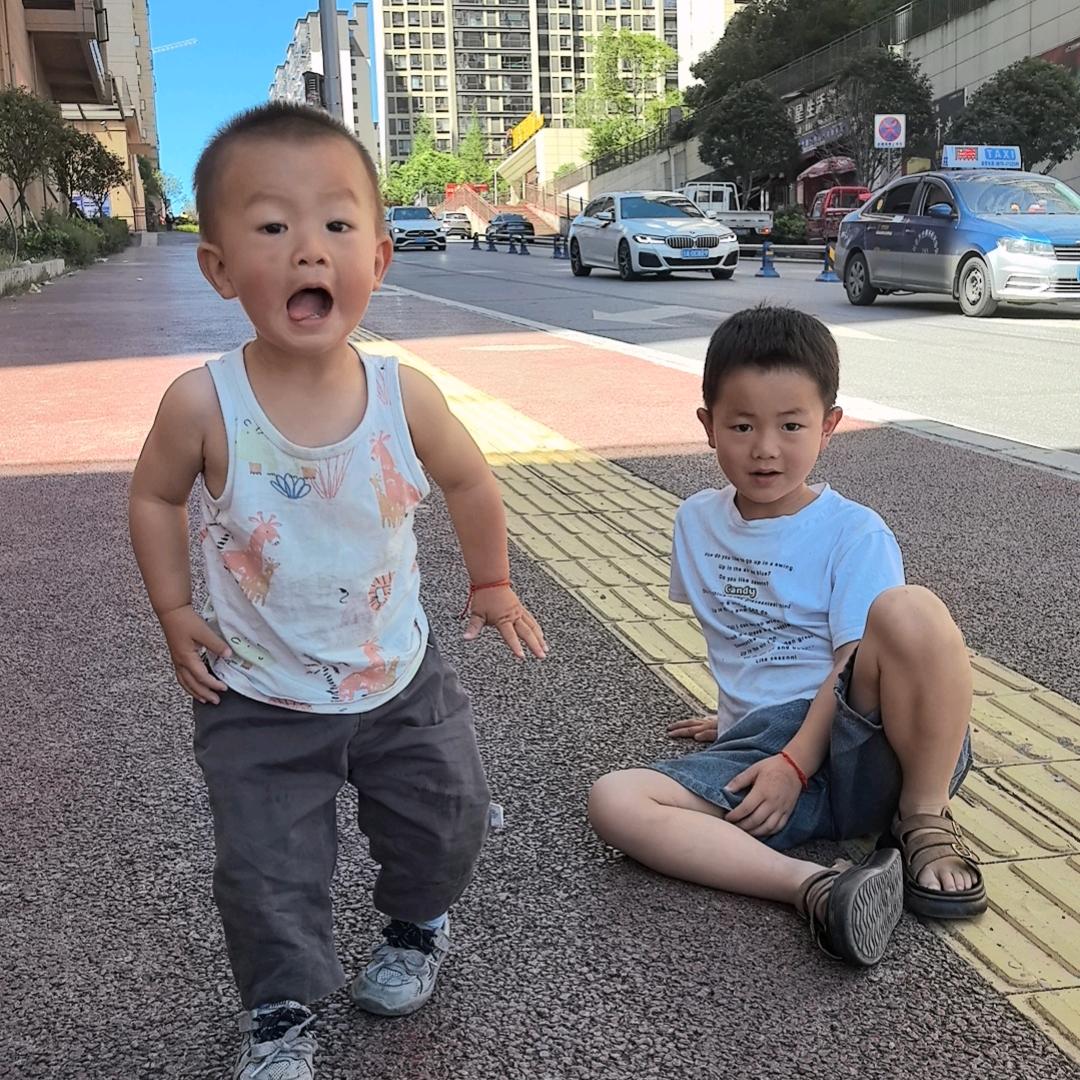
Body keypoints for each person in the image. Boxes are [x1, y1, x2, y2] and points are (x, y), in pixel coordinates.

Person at [128, 102, 547, 1080]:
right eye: (272, 227)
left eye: (336, 225)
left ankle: (416, 924)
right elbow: (152, 496)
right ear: (221, 268)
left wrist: (490, 579)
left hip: (401, 680)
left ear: (380, 257)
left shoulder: (407, 397)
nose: (308, 248)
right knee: (266, 873)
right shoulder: (204, 402)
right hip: (259, 700)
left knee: (445, 818)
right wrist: (174, 609)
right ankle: (279, 1013)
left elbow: (471, 480)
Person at [588, 305, 985, 969]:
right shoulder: (695, 523)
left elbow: (850, 666)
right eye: (741, 425)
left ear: (828, 427)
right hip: (763, 755)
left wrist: (799, 759)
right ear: (707, 426)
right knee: (614, 800)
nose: (765, 447)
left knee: (910, 610)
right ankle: (819, 890)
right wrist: (739, 719)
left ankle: (923, 816)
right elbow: (743, 636)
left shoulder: (853, 532)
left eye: (791, 425)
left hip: (864, 748)